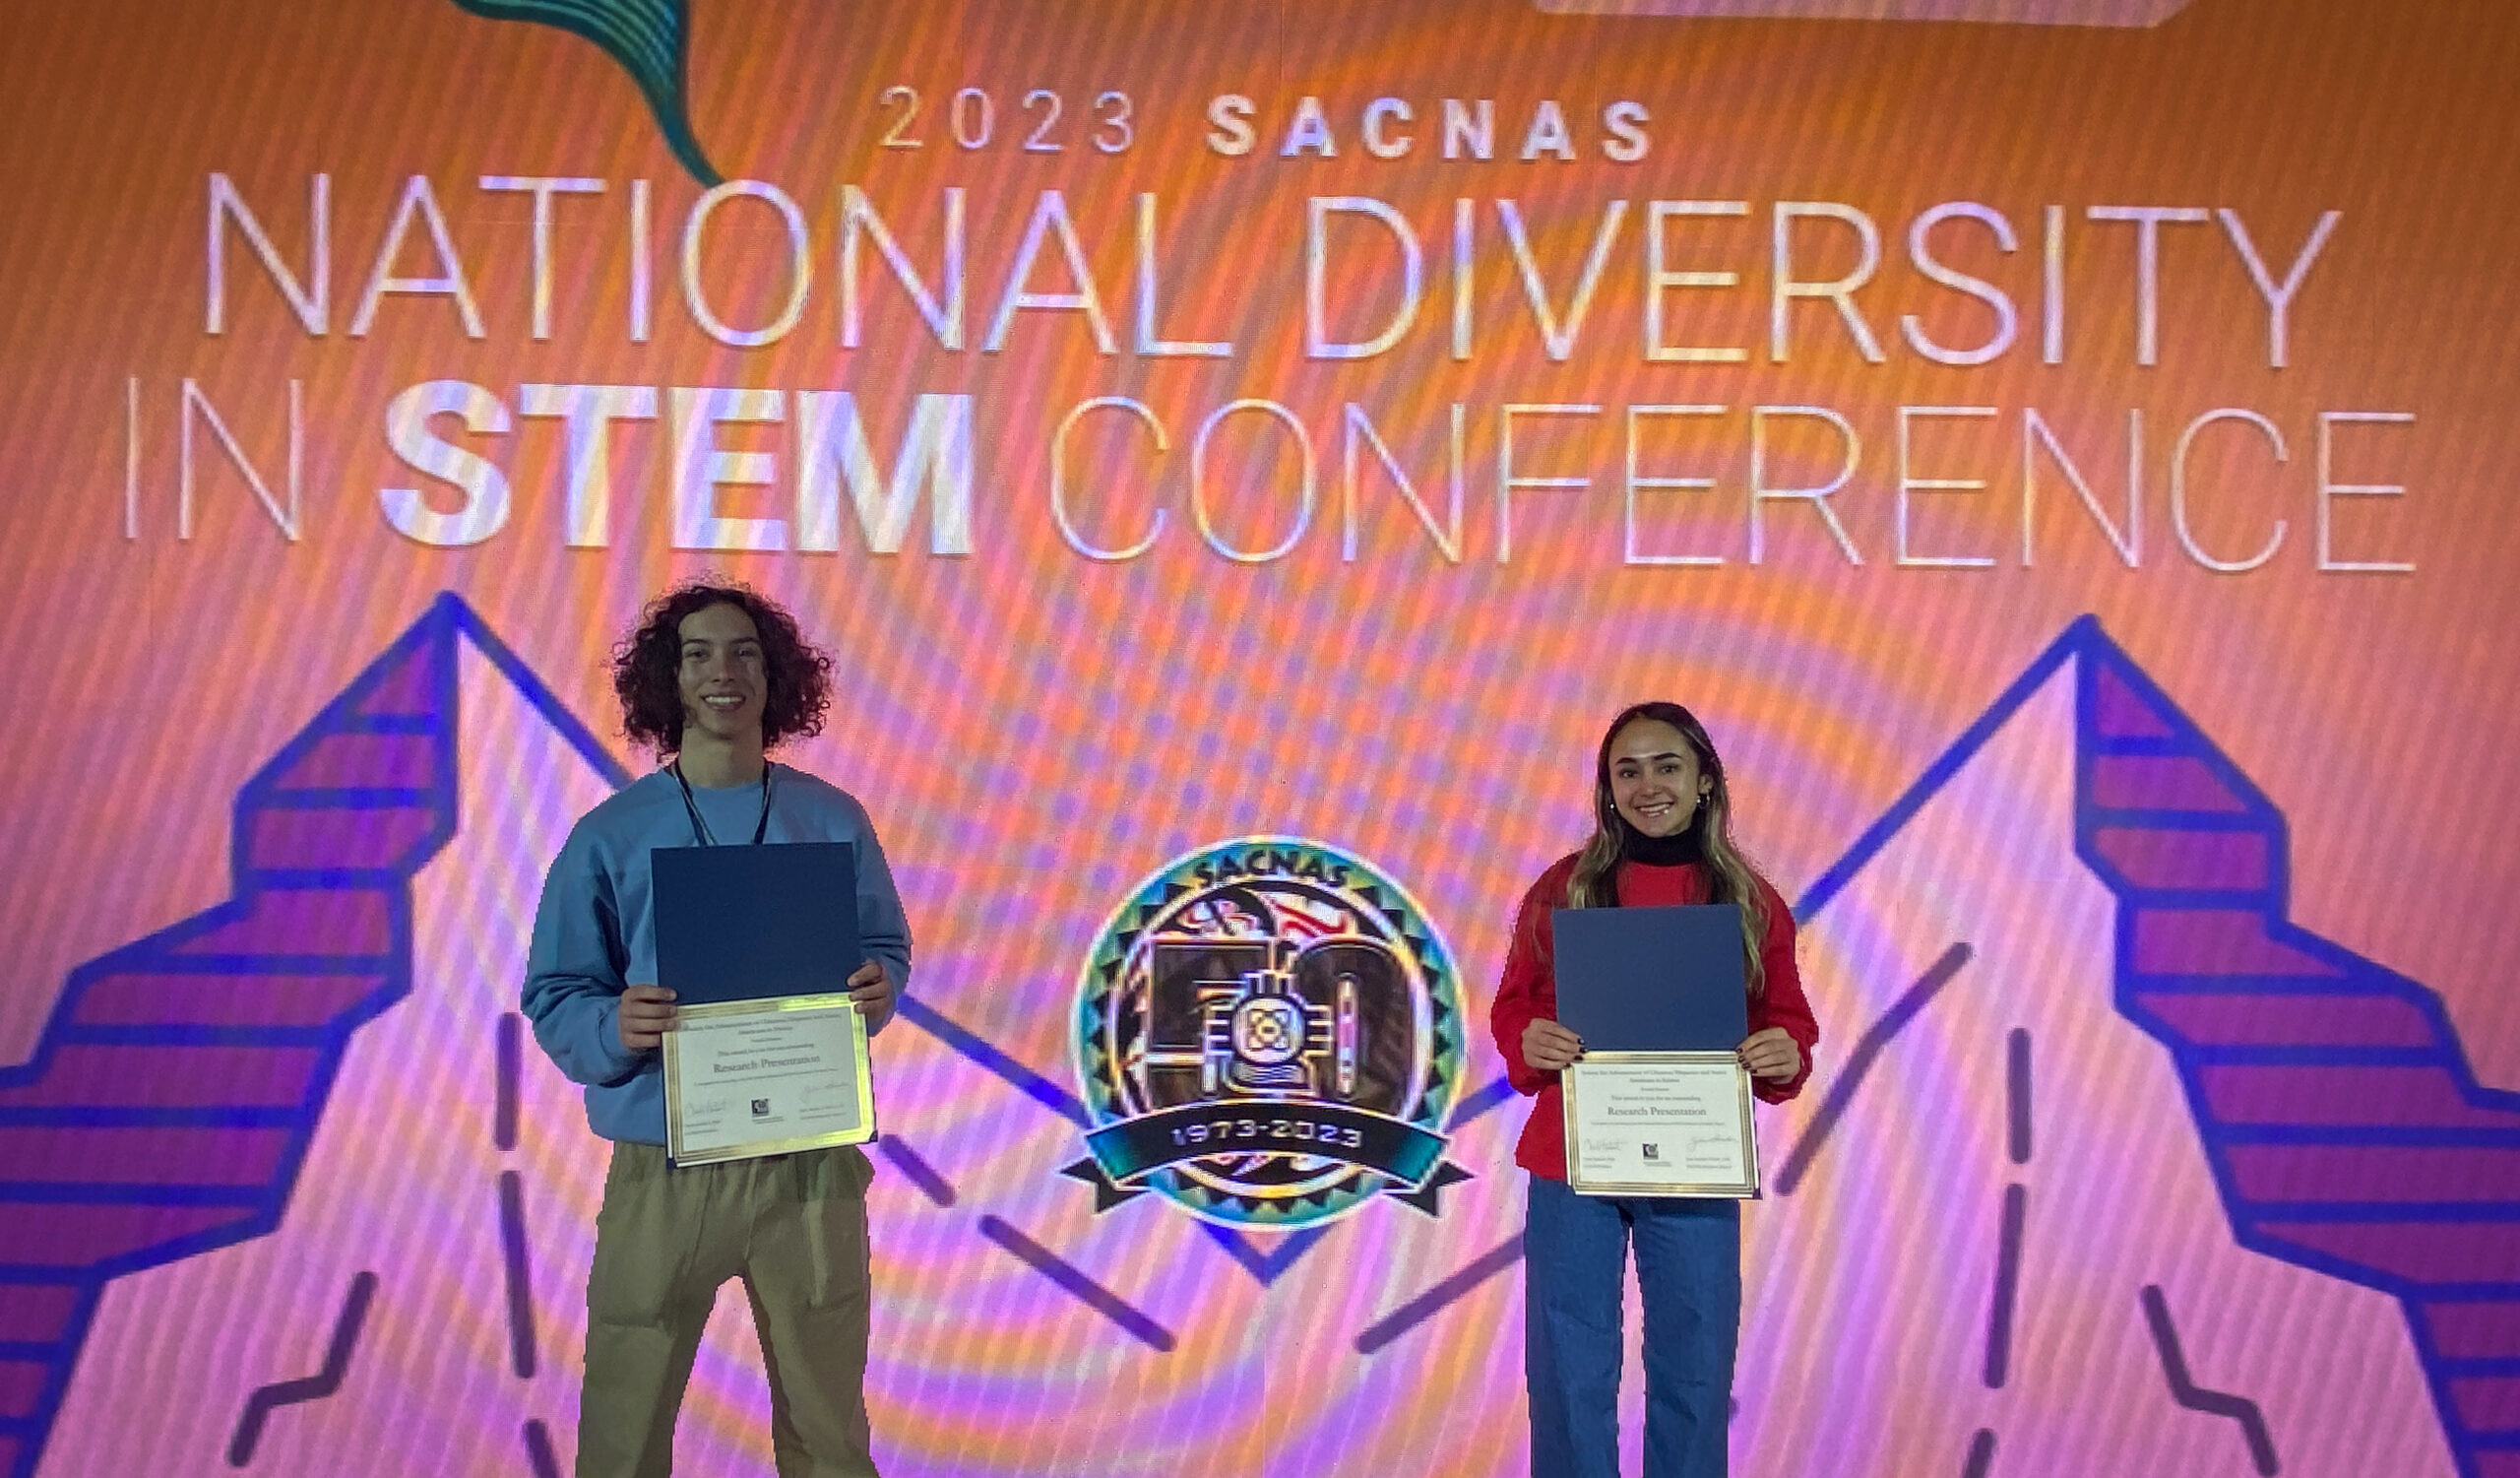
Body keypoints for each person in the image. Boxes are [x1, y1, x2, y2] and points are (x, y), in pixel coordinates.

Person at [522, 581, 912, 1478]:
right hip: (667, 1165)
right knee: (624, 1423)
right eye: (698, 654)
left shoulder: (831, 818)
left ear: (775, 676)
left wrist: (876, 987)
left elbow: (884, 948)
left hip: (807, 1163)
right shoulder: (611, 835)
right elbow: (555, 990)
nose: (722, 672)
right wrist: (616, 1022)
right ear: (669, 680)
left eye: (742, 652)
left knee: (829, 1426)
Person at [1489, 701, 1821, 1478]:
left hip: (1696, 1155)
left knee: (1696, 1364)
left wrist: (1783, 1053)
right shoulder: (1563, 887)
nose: (1648, 784)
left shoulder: (1750, 899)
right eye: (1626, 770)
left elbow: (1787, 1023)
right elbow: (1516, 1006)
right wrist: (1529, 1040)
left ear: (1705, 779)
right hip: (1575, 1155)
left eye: (1666, 765)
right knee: (1569, 1368)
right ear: (1606, 788)